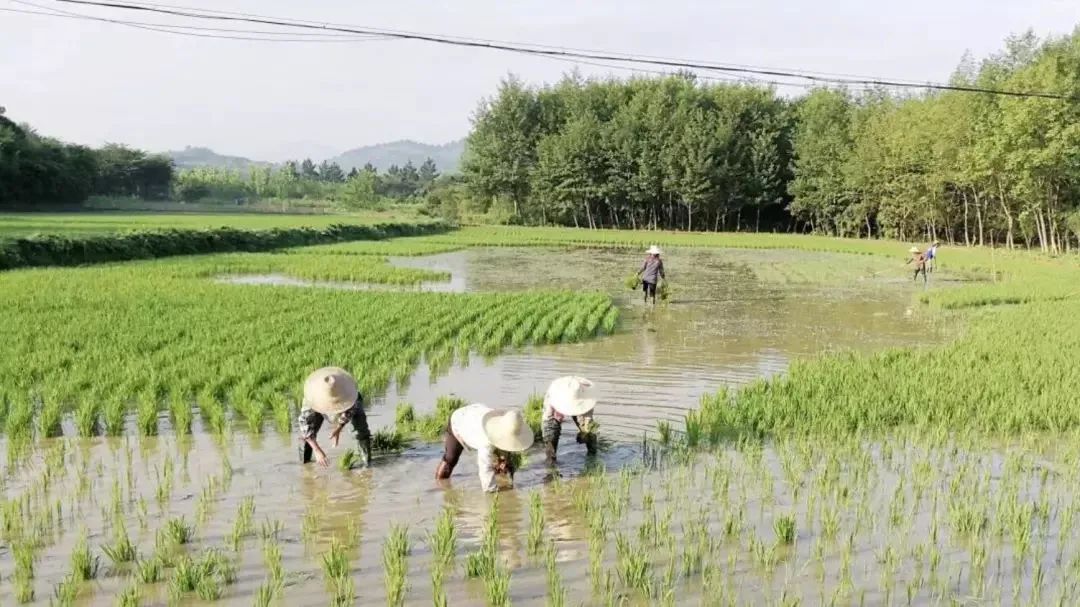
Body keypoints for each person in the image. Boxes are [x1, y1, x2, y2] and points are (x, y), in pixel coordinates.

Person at [435, 404, 534, 493]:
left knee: (503, 461)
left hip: (475, 412)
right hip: (459, 420)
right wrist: (493, 492)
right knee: (450, 459)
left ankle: (500, 468)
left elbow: (507, 448)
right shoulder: (485, 441)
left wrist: (503, 459)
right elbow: (485, 469)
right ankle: (439, 485)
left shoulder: (505, 420)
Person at [297, 367, 372, 467]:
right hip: (317, 407)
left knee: (362, 431)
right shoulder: (311, 400)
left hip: (351, 404)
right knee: (308, 436)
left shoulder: (351, 395)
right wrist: (317, 450)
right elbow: (305, 428)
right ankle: (305, 466)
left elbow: (350, 411)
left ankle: (367, 464)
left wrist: (339, 427)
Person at [541, 376, 598, 464]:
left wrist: (585, 432)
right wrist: (550, 441)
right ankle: (551, 464)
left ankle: (592, 459)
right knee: (550, 432)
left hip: (580, 398)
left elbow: (588, 420)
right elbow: (548, 422)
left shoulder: (586, 395)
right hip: (558, 400)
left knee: (590, 434)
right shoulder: (553, 396)